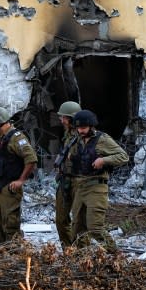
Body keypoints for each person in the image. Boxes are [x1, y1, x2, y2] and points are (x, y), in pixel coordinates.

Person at [66, 109, 128, 252]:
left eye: (83, 128)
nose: (80, 131)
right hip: (80, 186)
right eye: (78, 128)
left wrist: (104, 160)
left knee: (95, 227)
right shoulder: (77, 140)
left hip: (96, 187)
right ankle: (81, 258)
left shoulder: (102, 139)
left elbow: (123, 156)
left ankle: (115, 255)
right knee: (77, 227)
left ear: (91, 126)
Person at [0, 106, 37, 244]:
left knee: (10, 225)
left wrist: (21, 180)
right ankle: (4, 253)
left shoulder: (16, 138)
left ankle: (15, 254)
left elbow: (31, 159)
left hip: (9, 188)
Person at [53, 101, 81, 247]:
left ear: (72, 118)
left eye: (64, 117)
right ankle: (69, 251)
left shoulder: (85, 134)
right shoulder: (68, 134)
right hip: (65, 180)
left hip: (79, 181)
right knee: (61, 220)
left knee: (79, 222)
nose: (61, 120)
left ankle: (82, 253)